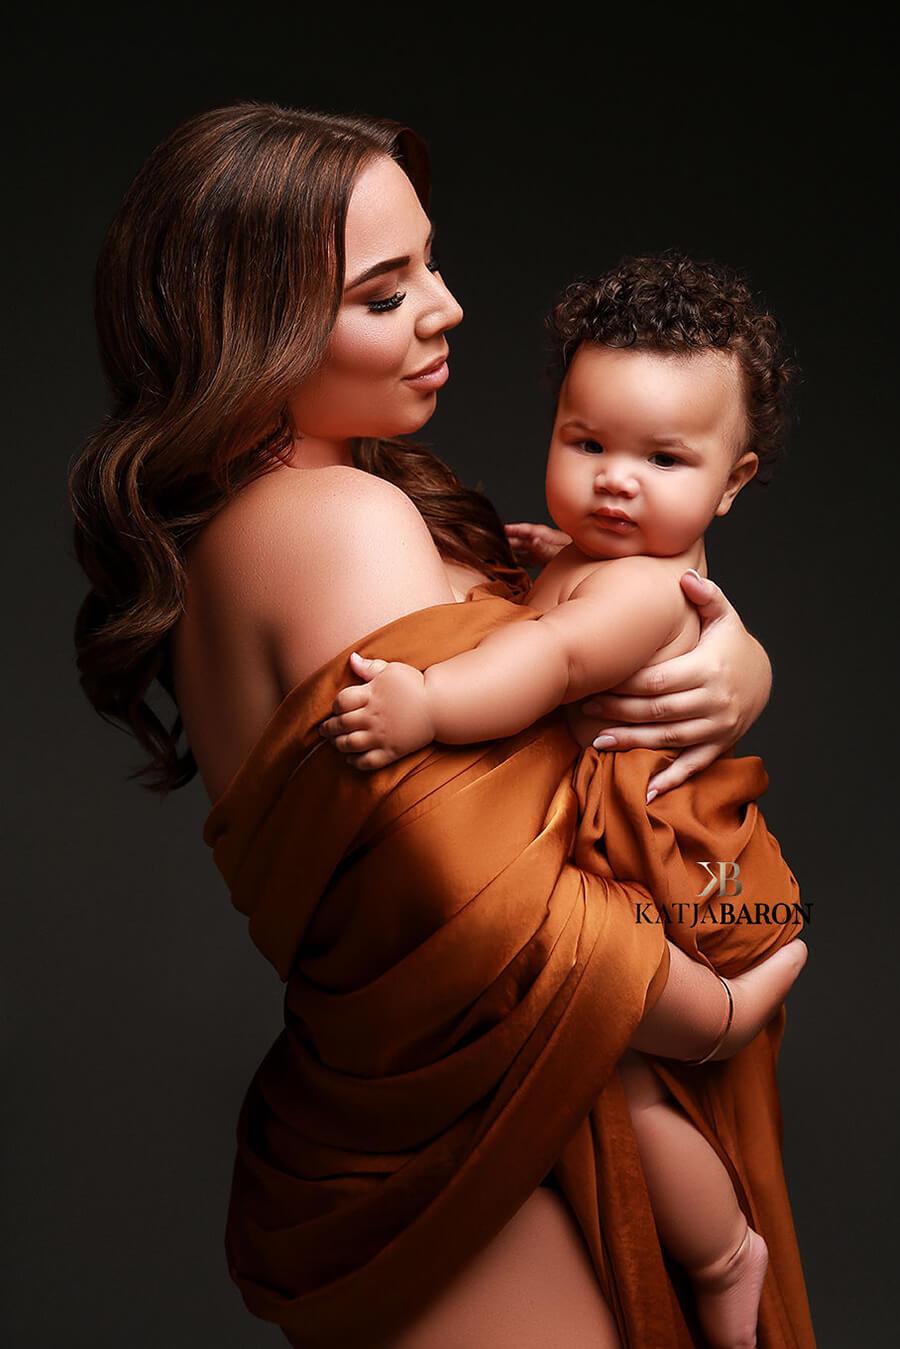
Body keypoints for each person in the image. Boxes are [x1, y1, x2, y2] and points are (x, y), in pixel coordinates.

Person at [67, 102, 810, 1347]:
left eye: (433, 261)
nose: (447, 306)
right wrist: (712, 1010)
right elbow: (482, 905)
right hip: (486, 1135)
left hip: (461, 1102)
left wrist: (732, 664)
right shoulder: (333, 521)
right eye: (383, 289)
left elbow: (571, 654)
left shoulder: (302, 511)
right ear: (251, 326)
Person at [318, 249, 801, 1347]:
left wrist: (429, 708)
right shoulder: (599, 563)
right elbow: (554, 613)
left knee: (627, 1083)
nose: (616, 479)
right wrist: (548, 567)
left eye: (664, 458)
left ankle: (726, 1253)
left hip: (691, 884)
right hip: (653, 866)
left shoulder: (638, 591)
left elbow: (546, 665)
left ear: (732, 482)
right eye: (588, 443)